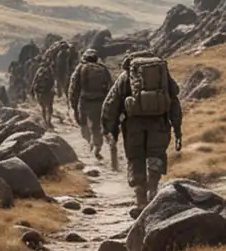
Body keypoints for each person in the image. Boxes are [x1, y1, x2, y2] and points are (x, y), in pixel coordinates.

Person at [103, 52, 182, 213]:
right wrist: (177, 128)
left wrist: (110, 128)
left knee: (136, 157)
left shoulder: (126, 77)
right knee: (156, 154)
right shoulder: (163, 76)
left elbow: (111, 103)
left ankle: (140, 197)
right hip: (159, 123)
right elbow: (174, 100)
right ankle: (153, 188)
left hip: (133, 125)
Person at [69, 47, 114, 167]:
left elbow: (74, 88)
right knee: (96, 126)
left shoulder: (80, 68)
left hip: (84, 101)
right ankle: (97, 147)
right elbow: (111, 87)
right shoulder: (103, 69)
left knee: (83, 124)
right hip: (100, 101)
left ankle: (90, 142)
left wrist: (73, 104)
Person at [31, 54, 57, 126]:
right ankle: (48, 121)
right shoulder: (50, 70)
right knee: (49, 107)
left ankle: (45, 121)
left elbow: (34, 81)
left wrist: (32, 91)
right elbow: (53, 81)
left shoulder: (39, 71)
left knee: (43, 108)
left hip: (40, 92)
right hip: (48, 92)